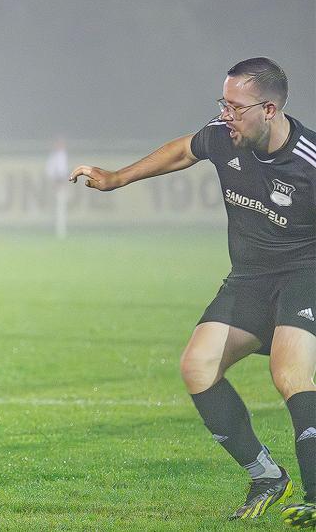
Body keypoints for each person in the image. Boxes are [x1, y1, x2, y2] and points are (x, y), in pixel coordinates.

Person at [70, 58, 316, 526]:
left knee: (290, 372)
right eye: (222, 103)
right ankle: (265, 474)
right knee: (198, 366)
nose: (225, 114)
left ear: (269, 109)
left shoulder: (309, 160)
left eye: (235, 107)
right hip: (249, 277)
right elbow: (184, 149)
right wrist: (117, 178)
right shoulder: (225, 135)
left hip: (306, 274)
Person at [44, 136, 69, 239]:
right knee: (58, 208)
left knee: (61, 208)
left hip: (62, 182)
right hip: (58, 182)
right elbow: (51, 171)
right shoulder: (55, 156)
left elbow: (63, 170)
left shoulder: (62, 155)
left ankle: (61, 231)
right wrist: (55, 181)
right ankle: (59, 232)